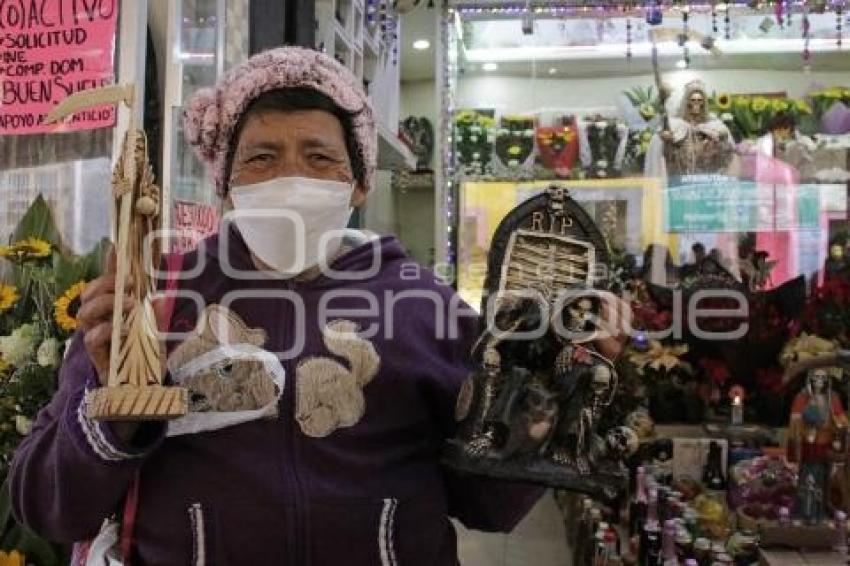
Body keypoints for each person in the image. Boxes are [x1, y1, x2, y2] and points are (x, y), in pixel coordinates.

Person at [10, 47, 627, 564]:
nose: (290, 177)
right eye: (261, 157)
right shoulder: (152, 301)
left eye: (319, 156)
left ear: (359, 183)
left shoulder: (424, 308)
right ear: (225, 184)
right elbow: (47, 506)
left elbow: (488, 507)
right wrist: (112, 403)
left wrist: (540, 402)